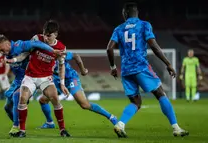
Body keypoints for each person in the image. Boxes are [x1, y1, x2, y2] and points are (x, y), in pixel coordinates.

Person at [106, 2, 189, 138]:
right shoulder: (144, 25)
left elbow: (109, 48)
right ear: (136, 12)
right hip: (141, 67)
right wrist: (168, 63)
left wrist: (113, 67)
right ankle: (176, 128)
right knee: (160, 93)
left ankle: (120, 124)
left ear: (125, 14)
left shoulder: (119, 29)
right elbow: (154, 46)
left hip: (126, 70)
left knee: (135, 102)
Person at [0, 34, 63, 136]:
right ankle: (20, 123)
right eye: (0, 51)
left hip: (29, 78)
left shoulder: (20, 45)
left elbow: (37, 43)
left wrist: (52, 50)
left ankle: (17, 127)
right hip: (17, 80)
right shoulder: (0, 47)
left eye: (2, 50)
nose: (2, 53)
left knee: (17, 96)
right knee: (7, 108)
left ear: (7, 44)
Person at [11, 51, 118, 129]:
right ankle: (50, 123)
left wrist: (83, 70)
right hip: (57, 82)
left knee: (84, 104)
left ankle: (111, 117)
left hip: (70, 79)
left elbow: (76, 55)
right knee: (43, 100)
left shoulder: (59, 52)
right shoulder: (41, 55)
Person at [7, 20, 70, 138]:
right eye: (45, 34)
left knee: (55, 98)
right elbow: (25, 53)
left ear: (56, 34)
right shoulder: (36, 38)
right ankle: (22, 131)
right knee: (23, 98)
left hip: (46, 78)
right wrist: (14, 60)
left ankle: (62, 130)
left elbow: (62, 66)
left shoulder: (61, 48)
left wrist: (62, 84)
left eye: (49, 35)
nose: (46, 37)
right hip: (30, 76)